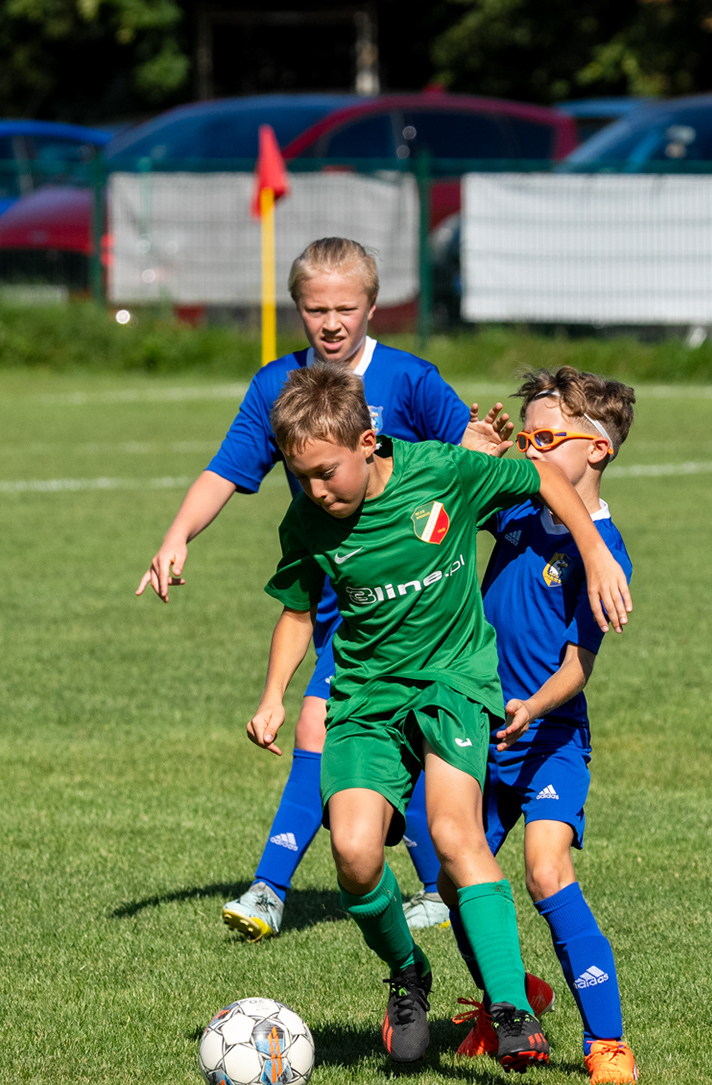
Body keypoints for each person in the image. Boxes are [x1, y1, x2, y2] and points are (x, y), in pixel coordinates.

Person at [247, 362, 631, 1071]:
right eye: (301, 477)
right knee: (355, 854)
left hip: (455, 683)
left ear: (368, 442)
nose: (317, 490)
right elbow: (298, 611)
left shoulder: (440, 472)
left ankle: (512, 1010)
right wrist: (274, 694)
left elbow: (540, 479)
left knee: (458, 835)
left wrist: (596, 552)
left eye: (327, 472)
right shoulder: (307, 521)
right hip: (366, 697)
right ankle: (408, 972)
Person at [138, 236, 507, 941]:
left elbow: (465, 461)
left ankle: (272, 889)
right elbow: (227, 468)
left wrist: (482, 447)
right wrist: (178, 534)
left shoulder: (410, 379)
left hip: (410, 602)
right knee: (366, 737)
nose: (331, 323)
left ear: (372, 306)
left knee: (327, 726)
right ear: (297, 308)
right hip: (338, 597)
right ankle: (429, 887)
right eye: (315, 310)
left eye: (345, 308)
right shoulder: (276, 385)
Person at [442, 368, 639, 1085]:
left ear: (598, 449)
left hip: (551, 738)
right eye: (527, 438)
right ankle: (508, 1002)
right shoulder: (519, 511)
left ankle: (606, 1041)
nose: (531, 450)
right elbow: (446, 503)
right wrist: (473, 452)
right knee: (453, 877)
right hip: (482, 734)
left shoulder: (604, 552)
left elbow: (578, 665)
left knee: (546, 871)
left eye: (546, 438)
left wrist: (532, 705)